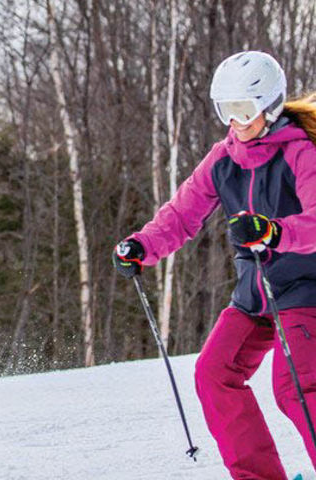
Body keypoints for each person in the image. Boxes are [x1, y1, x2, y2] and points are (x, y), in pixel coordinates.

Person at [113, 51, 316, 478]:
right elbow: (181, 214)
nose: (236, 122)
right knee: (214, 373)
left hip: (306, 290)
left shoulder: (302, 154)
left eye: (244, 110)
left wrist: (273, 232)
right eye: (226, 111)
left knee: (295, 387)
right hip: (254, 295)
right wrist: (141, 245)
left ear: (271, 106)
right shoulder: (223, 160)